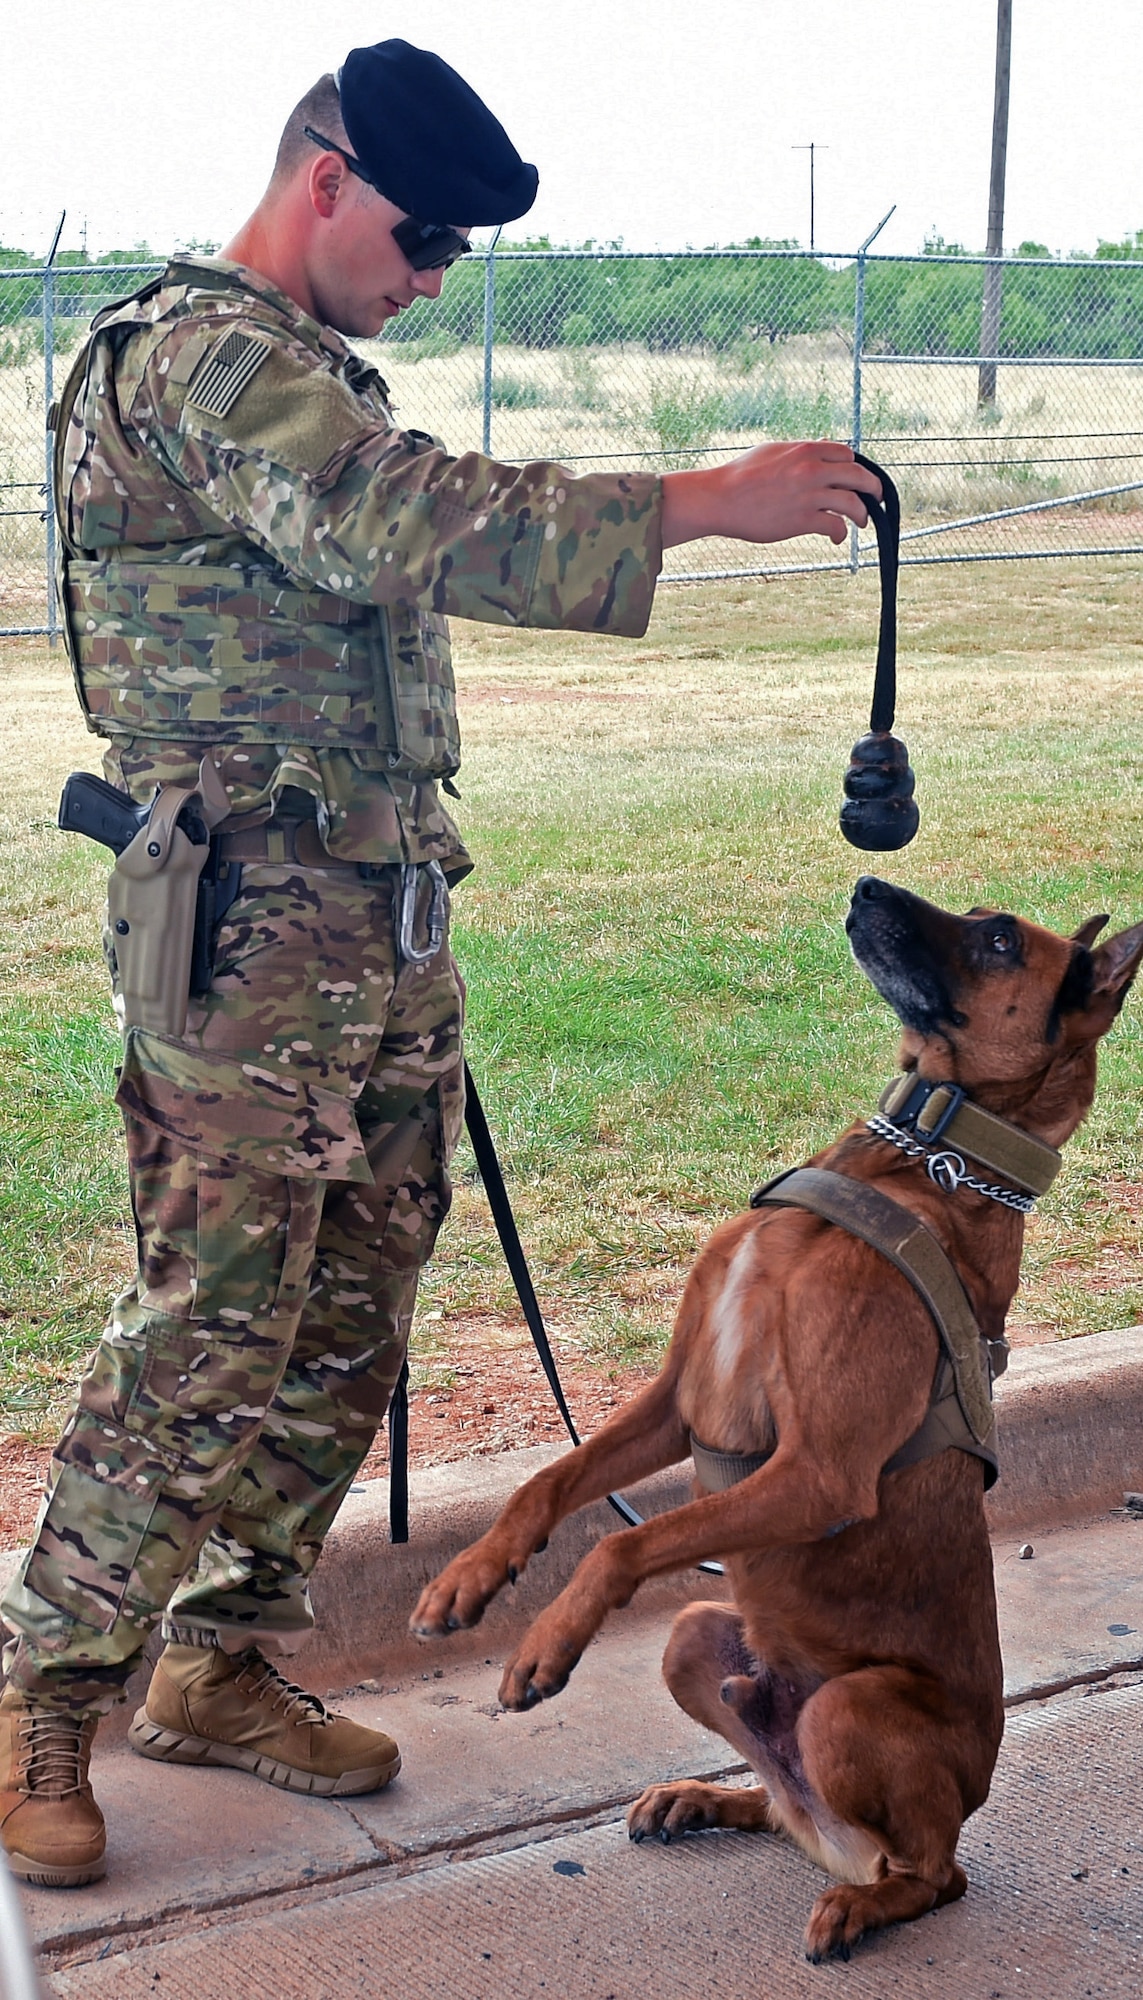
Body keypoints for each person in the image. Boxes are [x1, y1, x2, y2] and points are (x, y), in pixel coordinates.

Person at [0, 39, 879, 1887]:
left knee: (348, 1321)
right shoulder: (201, 356)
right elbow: (398, 513)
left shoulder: (312, 364)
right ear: (324, 176)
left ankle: (218, 1662)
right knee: (207, 1329)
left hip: (377, 926)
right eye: (421, 237)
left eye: (459, 258)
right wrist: (703, 499)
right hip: (244, 936)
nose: (429, 276)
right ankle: (44, 1693)